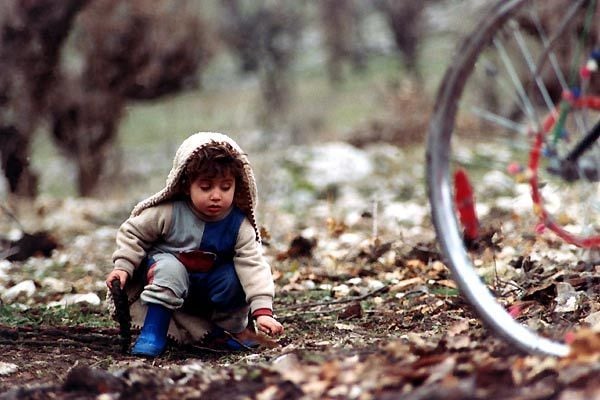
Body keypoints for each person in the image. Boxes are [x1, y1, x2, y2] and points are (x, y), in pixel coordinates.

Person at [106, 132, 284, 357]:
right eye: (206, 187)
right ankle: (154, 330)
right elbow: (134, 233)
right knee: (170, 268)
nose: (216, 196)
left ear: (237, 186)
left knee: (234, 277)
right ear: (186, 184)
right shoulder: (168, 212)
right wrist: (123, 266)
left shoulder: (239, 225)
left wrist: (262, 311)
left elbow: (253, 265)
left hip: (210, 289)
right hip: (167, 283)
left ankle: (228, 332)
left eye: (225, 187)